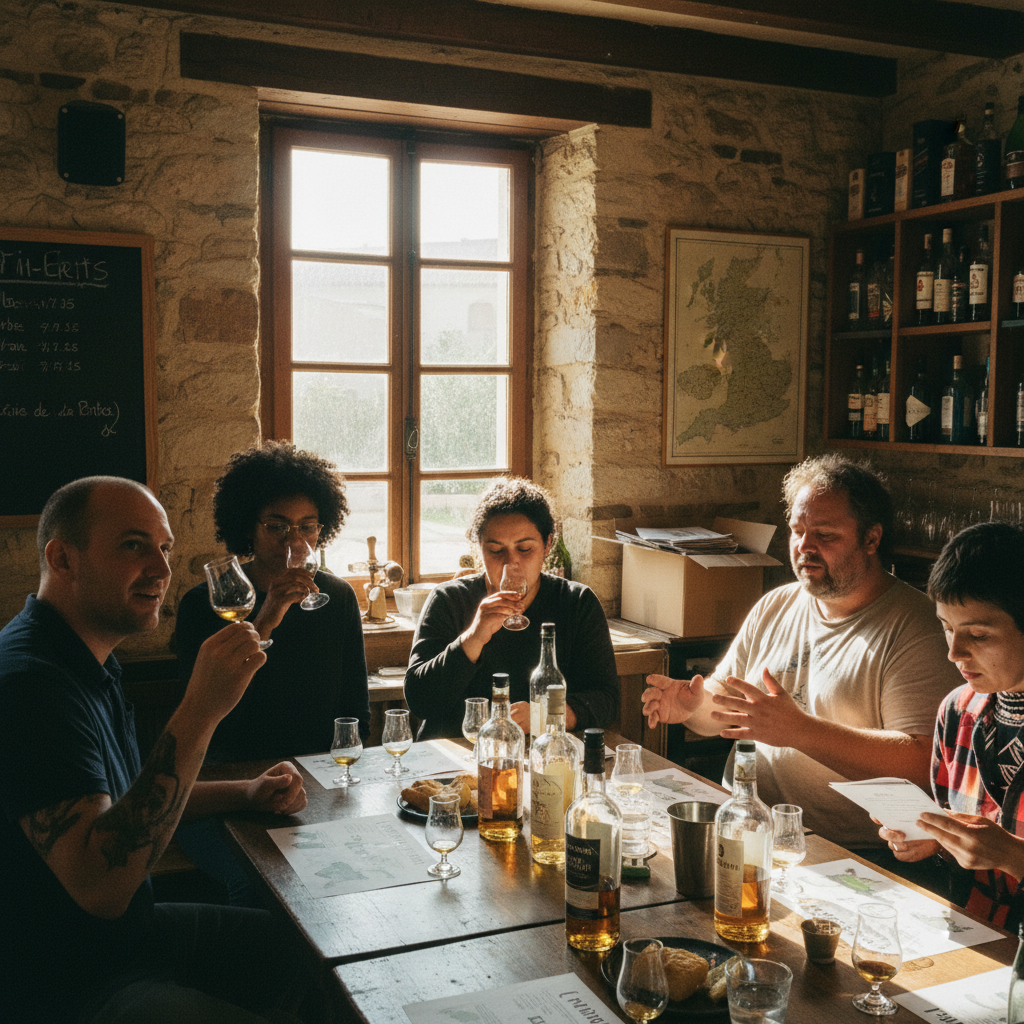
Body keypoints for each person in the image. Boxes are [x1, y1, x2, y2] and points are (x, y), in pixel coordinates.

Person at [0, 476, 310, 1023]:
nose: (162, 569)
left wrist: (245, 792)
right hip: (69, 982)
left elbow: (129, 801)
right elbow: (101, 888)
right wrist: (200, 711)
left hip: (127, 939)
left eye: (164, 548)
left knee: (312, 953)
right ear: (63, 558)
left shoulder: (80, 656)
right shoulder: (30, 684)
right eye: (133, 545)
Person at [641, 454, 961, 863]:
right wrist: (692, 706)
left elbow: (923, 762)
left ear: (871, 539)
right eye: (797, 531)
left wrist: (799, 731)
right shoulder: (777, 604)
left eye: (825, 535)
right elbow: (725, 710)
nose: (804, 547)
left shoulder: (915, 625)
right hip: (747, 826)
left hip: (847, 853)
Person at [174, 441, 370, 760]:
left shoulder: (338, 597)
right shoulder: (206, 603)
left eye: (307, 527)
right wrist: (265, 619)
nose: (294, 540)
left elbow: (355, 707)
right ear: (247, 527)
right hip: (238, 769)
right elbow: (206, 719)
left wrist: (347, 767)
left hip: (323, 767)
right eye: (277, 527)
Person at [879, 521, 1024, 928]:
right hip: (972, 935)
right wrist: (936, 841)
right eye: (947, 629)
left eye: (978, 635)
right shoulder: (958, 711)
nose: (954, 653)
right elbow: (962, 850)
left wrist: (1015, 856)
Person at [405, 477, 619, 740]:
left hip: (543, 754)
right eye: (496, 550)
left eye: (525, 549)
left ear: (547, 545)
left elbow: (606, 699)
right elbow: (419, 700)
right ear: (479, 548)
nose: (511, 563)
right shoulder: (449, 599)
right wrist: (473, 637)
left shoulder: (576, 602)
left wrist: (546, 715)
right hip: (457, 754)